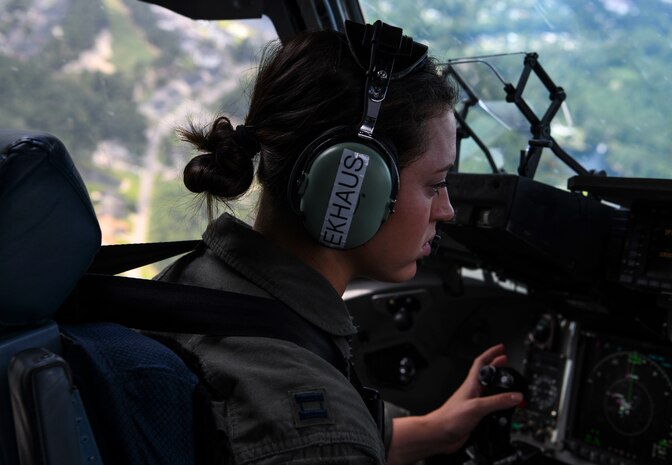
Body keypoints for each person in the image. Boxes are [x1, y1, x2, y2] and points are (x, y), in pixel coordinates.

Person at [155, 19, 524, 465]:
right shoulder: (318, 430)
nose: (445, 209)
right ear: (352, 183)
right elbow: (317, 440)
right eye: (434, 184)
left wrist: (439, 431)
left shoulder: (193, 280)